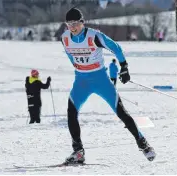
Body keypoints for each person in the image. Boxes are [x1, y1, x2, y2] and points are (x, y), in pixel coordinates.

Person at [61, 8, 156, 164]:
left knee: (121, 112)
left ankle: (143, 143)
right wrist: (79, 67)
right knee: (71, 112)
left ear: (82, 23)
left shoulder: (94, 36)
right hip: (81, 81)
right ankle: (78, 151)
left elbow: (115, 47)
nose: (72, 27)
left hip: (100, 80)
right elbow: (70, 56)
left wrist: (124, 67)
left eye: (75, 23)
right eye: (69, 24)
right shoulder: (65, 38)